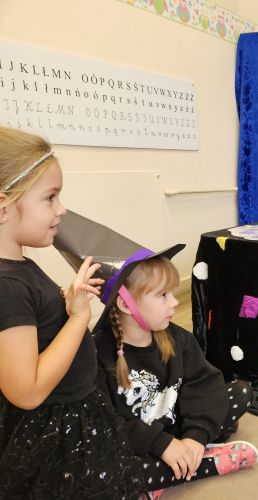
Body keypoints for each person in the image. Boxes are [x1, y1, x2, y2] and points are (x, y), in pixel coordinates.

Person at [55, 211, 258, 497]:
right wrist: (160, 444)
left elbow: (204, 386)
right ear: (125, 305)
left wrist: (195, 437)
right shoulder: (98, 354)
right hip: (138, 444)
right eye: (163, 295)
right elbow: (104, 424)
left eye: (171, 293)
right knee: (96, 468)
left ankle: (185, 458)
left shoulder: (179, 339)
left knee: (240, 392)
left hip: (175, 427)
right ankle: (200, 464)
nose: (174, 302)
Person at [0, 127, 145, 497]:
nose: (61, 209)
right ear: (3, 207)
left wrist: (65, 306)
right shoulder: (7, 286)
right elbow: (27, 391)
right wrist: (79, 318)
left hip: (74, 410)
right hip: (55, 428)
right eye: (50, 197)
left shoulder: (18, 267)